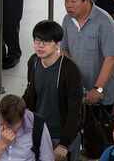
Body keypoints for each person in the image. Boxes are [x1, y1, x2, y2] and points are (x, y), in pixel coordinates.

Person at [22, 21, 83, 161]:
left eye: (46, 42)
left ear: (57, 44)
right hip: (38, 130)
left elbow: (75, 110)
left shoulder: (70, 70)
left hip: (61, 135)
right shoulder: (33, 62)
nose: (40, 46)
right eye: (37, 40)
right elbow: (30, 92)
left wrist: (64, 143)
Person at [61, 0, 114, 111]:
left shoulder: (104, 22)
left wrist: (97, 89)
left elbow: (112, 58)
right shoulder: (67, 20)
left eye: (73, 1)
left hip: (102, 96)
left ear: (86, 0)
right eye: (66, 0)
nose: (68, 5)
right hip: (77, 92)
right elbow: (64, 50)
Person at [0, 94, 54, 161]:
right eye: (2, 124)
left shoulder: (37, 125)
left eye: (10, 127)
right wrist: (2, 144)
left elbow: (47, 158)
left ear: (23, 117)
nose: (5, 129)